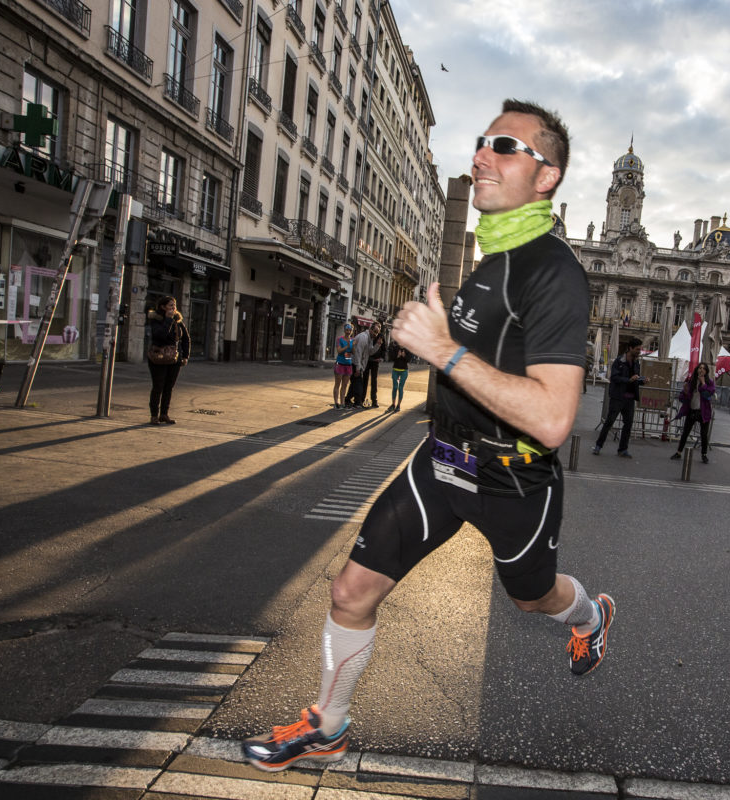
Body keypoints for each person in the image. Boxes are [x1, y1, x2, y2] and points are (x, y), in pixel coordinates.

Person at [243, 99, 614, 771]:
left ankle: (589, 616)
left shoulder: (554, 272)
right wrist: (440, 348)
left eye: (505, 146)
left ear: (547, 175)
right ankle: (328, 725)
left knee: (534, 596)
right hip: (442, 459)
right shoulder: (491, 253)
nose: (481, 155)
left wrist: (443, 351)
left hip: (512, 476)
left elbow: (555, 419)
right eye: (480, 142)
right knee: (350, 592)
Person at [592, 337, 644, 458]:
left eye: (640, 349)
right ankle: (598, 446)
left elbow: (636, 378)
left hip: (630, 398)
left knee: (628, 424)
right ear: (630, 348)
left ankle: (623, 449)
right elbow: (614, 377)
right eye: (637, 349)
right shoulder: (619, 361)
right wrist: (628, 380)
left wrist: (642, 380)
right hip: (618, 397)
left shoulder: (636, 362)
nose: (639, 352)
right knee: (609, 422)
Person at [145, 296, 190, 425]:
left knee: (168, 387)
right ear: (163, 307)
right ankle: (154, 415)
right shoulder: (156, 319)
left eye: (174, 305)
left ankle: (164, 414)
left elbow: (186, 338)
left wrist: (185, 356)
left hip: (174, 358)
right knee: (158, 386)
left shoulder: (178, 321)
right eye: (170, 305)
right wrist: (168, 320)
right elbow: (160, 335)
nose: (173, 308)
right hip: (158, 358)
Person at [670, 361, 715, 464]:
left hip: (703, 412)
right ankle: (678, 452)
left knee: (704, 434)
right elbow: (682, 397)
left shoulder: (709, 382)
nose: (701, 370)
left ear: (706, 371)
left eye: (704, 368)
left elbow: (708, 394)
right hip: (692, 410)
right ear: (697, 370)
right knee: (685, 432)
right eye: (700, 368)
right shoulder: (692, 382)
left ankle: (704, 455)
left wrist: (703, 383)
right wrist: (685, 393)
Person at [344, 322, 379, 408]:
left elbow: (370, 352)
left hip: (356, 363)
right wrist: (358, 368)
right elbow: (358, 353)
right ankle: (357, 402)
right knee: (359, 384)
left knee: (355, 383)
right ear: (370, 330)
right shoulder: (363, 337)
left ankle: (347, 400)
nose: (375, 334)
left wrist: (378, 345)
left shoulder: (369, 339)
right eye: (374, 331)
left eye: (377, 332)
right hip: (353, 362)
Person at [364, 325, 387, 408]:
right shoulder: (369, 336)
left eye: (378, 330)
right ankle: (362, 398)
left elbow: (384, 348)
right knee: (365, 380)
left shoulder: (381, 336)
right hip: (367, 360)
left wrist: (381, 358)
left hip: (375, 361)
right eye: (375, 330)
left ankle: (374, 400)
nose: (376, 333)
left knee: (374, 381)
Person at [333, 322, 354, 408]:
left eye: (350, 330)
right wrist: (347, 346)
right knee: (337, 384)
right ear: (344, 330)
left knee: (345, 385)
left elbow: (353, 352)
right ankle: (336, 403)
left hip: (348, 364)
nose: (348, 332)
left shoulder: (352, 340)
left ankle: (343, 403)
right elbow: (339, 351)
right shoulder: (339, 339)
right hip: (340, 364)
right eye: (347, 330)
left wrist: (353, 347)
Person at [388, 342, 409, 412]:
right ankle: (393, 404)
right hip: (395, 370)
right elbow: (391, 358)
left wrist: (404, 356)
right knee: (394, 387)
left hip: (404, 371)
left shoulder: (407, 348)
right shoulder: (396, 347)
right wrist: (397, 355)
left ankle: (398, 405)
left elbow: (409, 359)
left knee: (400, 388)